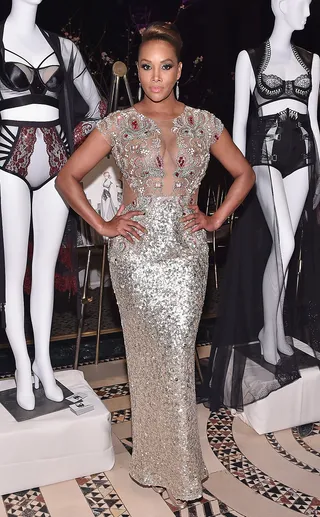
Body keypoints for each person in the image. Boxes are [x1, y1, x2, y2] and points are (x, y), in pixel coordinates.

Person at [56, 21, 255, 508]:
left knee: (175, 357)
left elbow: (244, 174)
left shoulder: (204, 122)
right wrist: (103, 226)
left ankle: (179, 465)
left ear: (179, 69)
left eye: (165, 67)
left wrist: (214, 220)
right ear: (139, 71)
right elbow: (67, 178)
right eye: (146, 67)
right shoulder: (120, 123)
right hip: (135, 253)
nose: (155, 77)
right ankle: (153, 462)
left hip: (186, 253)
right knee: (149, 360)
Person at [207, 0, 320, 412]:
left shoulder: (313, 60)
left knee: (287, 251)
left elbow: (315, 120)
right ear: (280, 5)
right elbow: (238, 125)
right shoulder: (250, 59)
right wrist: (241, 177)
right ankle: (270, 331)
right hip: (264, 156)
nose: (307, 10)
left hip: (304, 157)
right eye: (301, 3)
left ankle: (275, 328)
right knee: (285, 244)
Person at [0, 0, 103, 410]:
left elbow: (96, 109)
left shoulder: (64, 47)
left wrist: (74, 153)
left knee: (44, 270)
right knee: (15, 271)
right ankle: (21, 367)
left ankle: (44, 363)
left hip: (57, 164)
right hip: (7, 160)